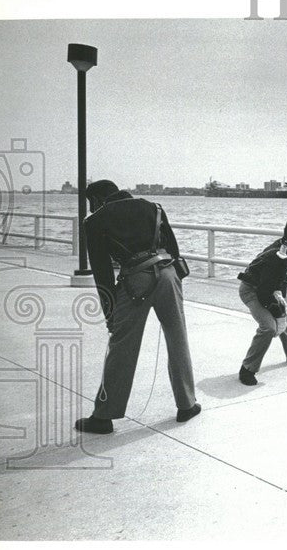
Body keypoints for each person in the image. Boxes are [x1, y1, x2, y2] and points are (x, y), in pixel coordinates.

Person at [76, 180, 200, 433]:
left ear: (98, 200)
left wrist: (110, 313)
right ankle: (187, 404)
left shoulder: (94, 221)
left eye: (91, 203)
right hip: (168, 273)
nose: (91, 208)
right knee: (178, 339)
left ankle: (104, 417)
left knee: (122, 346)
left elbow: (102, 273)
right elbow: (174, 250)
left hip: (136, 280)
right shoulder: (153, 207)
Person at [237, 215, 287, 385]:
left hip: (262, 288)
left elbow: (274, 280)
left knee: (282, 315)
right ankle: (247, 369)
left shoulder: (286, 247)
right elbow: (264, 288)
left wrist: (278, 303)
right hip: (250, 290)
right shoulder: (280, 254)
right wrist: (274, 307)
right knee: (269, 327)